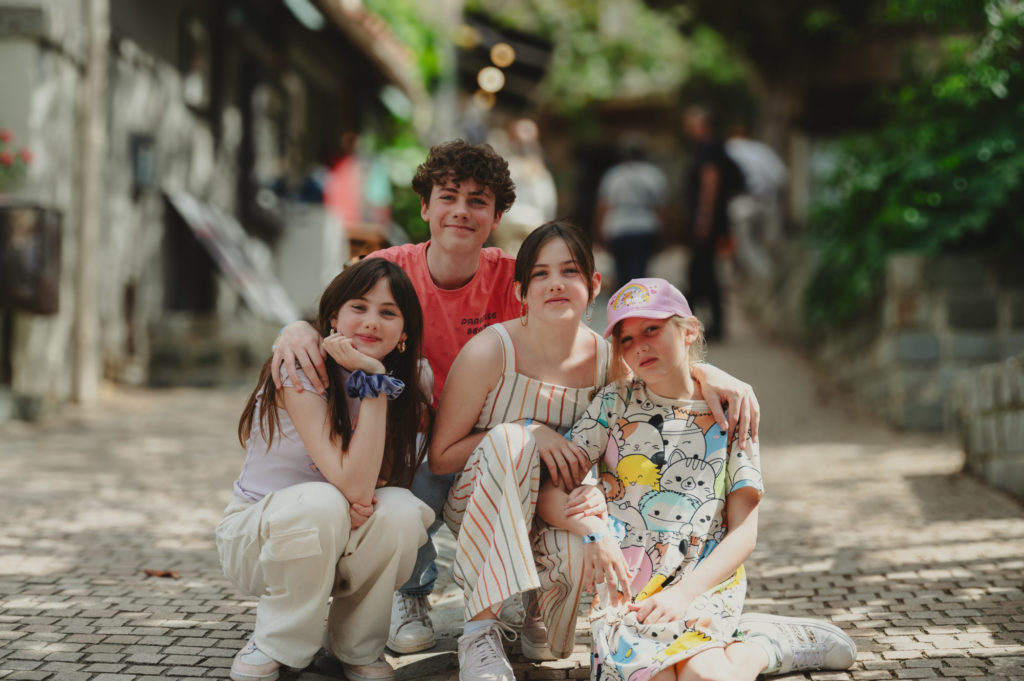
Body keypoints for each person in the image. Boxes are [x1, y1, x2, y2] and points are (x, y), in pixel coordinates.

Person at [270, 141, 762, 658]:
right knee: (427, 453)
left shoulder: (514, 275)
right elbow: (332, 312)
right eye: (448, 197)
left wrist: (706, 371)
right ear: (425, 207)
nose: (461, 211)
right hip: (415, 433)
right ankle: (414, 595)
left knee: (532, 475)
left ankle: (527, 604)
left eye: (478, 201)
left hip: (504, 453)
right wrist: (293, 330)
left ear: (497, 216)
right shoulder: (390, 269)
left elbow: (634, 356)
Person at [536, 277, 857, 680]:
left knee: (706, 678)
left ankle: (764, 647)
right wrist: (592, 532)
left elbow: (744, 532)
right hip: (628, 591)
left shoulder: (730, 411)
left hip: (702, 584)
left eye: (651, 330)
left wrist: (685, 594)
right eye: (627, 340)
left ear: (688, 331)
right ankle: (753, 643)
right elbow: (549, 494)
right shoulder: (613, 402)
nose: (640, 347)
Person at [217, 258, 435, 681]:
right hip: (258, 539)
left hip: (339, 530)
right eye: (359, 306)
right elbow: (353, 486)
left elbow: (377, 481)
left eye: (388, 313)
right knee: (321, 501)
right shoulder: (302, 367)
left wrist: (373, 381)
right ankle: (276, 641)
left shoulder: (411, 382)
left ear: (405, 333)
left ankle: (356, 648)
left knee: (402, 510)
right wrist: (372, 379)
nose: (371, 322)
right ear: (333, 316)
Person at [682, 106, 744, 341]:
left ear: (703, 124)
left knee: (701, 270)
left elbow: (711, 182)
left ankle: (704, 322)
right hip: (711, 221)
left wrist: (703, 218)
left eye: (691, 121)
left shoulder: (709, 148)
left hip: (708, 222)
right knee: (703, 270)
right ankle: (707, 322)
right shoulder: (709, 147)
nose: (687, 126)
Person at [595, 138, 668, 287]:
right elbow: (660, 207)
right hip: (645, 226)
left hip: (618, 226)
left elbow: (604, 205)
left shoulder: (614, 175)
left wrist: (599, 229)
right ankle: (639, 303)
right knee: (640, 270)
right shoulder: (653, 174)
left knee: (622, 273)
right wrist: (664, 230)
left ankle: (625, 304)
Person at [724, 123, 788, 279]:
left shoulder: (728, 148)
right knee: (767, 246)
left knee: (747, 250)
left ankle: (767, 278)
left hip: (741, 202)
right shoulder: (761, 149)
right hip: (767, 201)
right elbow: (782, 176)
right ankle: (772, 279)